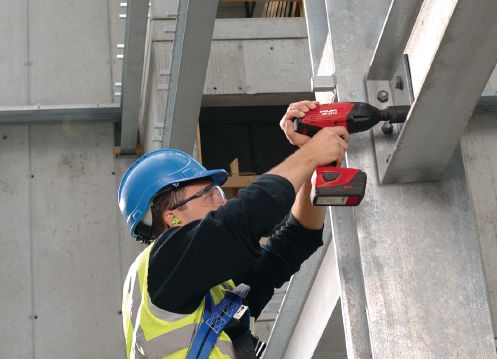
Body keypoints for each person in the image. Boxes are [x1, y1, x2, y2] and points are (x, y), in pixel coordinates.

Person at [117, 100, 347, 359]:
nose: (222, 201)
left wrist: (315, 166)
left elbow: (294, 242)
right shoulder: (162, 264)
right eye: (210, 193)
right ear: (173, 218)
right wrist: (310, 154)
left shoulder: (207, 290)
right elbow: (245, 218)